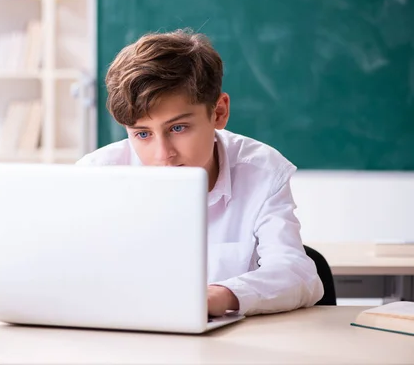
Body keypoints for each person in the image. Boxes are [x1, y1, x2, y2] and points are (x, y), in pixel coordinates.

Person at [76, 29, 324, 317]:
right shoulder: (97, 176)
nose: (162, 154)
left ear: (218, 112)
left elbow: (298, 274)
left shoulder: (261, 171)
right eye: (142, 134)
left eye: (178, 128)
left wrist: (223, 295)